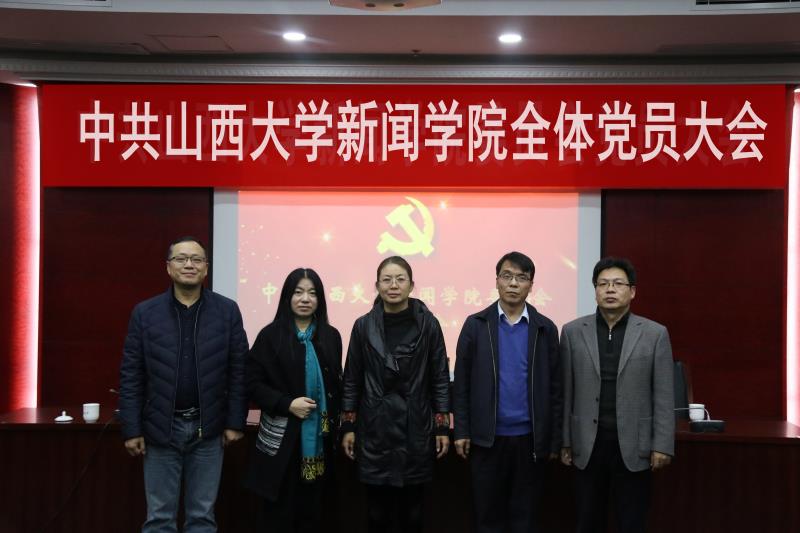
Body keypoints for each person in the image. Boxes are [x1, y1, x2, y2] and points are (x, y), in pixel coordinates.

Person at [118, 236, 249, 532]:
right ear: (168, 267)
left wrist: (234, 422)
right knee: (159, 519)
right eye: (181, 258)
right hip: (160, 429)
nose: (189, 264)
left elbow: (239, 371)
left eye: (196, 259)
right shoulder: (145, 313)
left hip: (209, 429)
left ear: (206, 268)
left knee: (202, 518)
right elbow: (131, 375)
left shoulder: (227, 311)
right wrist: (132, 428)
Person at [560, 257, 675, 533]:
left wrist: (662, 444)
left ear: (632, 291)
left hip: (635, 445)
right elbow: (566, 391)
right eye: (603, 284)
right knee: (588, 520)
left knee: (631, 521)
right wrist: (565, 440)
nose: (610, 289)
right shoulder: (573, 332)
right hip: (588, 444)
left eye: (617, 284)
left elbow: (663, 393)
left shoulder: (655, 334)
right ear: (595, 291)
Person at [452, 251, 562, 533]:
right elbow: (461, 384)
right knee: (488, 517)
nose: (513, 283)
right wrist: (461, 430)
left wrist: (553, 440)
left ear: (531, 285)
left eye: (521, 278)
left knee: (525, 518)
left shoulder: (545, 328)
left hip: (530, 440)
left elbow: (556, 389)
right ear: (497, 281)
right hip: (486, 440)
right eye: (507, 276)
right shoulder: (476, 325)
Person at [340, 256, 450, 533]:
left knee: (413, 513)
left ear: (411, 285)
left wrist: (441, 426)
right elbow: (352, 379)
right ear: (377, 285)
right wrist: (349, 425)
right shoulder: (363, 326)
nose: (393, 285)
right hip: (375, 428)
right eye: (387, 279)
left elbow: (439, 377)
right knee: (377, 513)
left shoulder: (429, 325)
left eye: (400, 279)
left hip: (417, 427)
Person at [243, 268, 342, 533]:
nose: (305, 299)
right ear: (287, 297)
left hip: (320, 441)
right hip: (281, 441)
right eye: (298, 292)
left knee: (314, 513)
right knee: (279, 515)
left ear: (320, 299)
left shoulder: (331, 336)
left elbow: (337, 385)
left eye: (312, 293)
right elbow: (251, 383)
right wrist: (286, 404)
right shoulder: (270, 335)